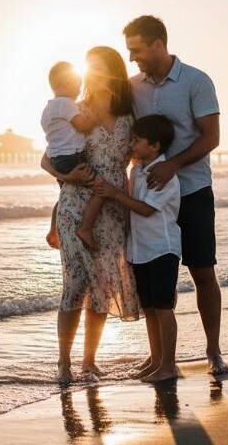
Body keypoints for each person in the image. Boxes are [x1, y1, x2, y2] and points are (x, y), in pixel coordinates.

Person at [124, 15, 228, 375]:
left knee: (203, 273)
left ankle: (213, 351)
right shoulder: (133, 86)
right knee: (158, 277)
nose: (133, 58)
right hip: (151, 196)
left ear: (158, 44)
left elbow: (210, 137)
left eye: (137, 50)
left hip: (193, 190)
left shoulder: (196, 81)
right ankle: (161, 357)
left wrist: (173, 165)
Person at [41, 46, 140, 383]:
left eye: (102, 69)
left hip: (111, 206)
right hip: (74, 203)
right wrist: (67, 176)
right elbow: (47, 157)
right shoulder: (77, 110)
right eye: (91, 70)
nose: (95, 76)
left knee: (102, 283)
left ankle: (89, 361)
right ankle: (64, 363)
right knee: (75, 284)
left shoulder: (130, 116)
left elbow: (143, 152)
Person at [94, 114, 182, 383]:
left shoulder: (164, 175)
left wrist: (113, 192)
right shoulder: (138, 169)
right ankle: (156, 361)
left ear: (154, 146)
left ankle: (169, 364)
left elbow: (144, 209)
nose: (131, 144)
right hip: (141, 249)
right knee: (151, 309)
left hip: (162, 248)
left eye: (136, 141)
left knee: (164, 307)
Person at [41, 62, 102, 250]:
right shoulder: (66, 105)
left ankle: (53, 228)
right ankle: (86, 228)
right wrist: (96, 116)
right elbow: (82, 126)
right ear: (66, 83)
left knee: (65, 192)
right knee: (101, 189)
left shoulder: (47, 109)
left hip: (57, 159)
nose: (80, 89)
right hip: (73, 158)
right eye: (78, 84)